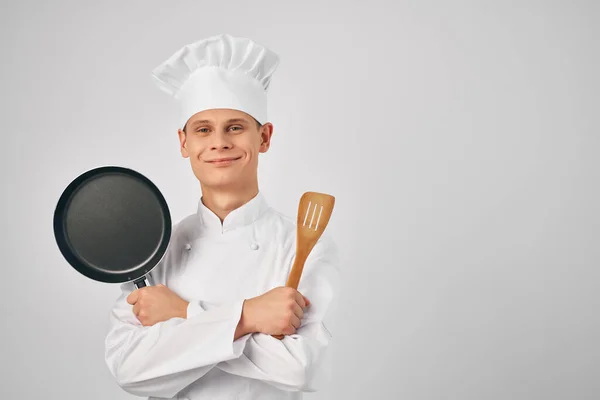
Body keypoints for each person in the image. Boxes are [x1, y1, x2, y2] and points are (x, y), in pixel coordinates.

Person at [103, 34, 341, 400]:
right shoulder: (153, 252)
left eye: (235, 127)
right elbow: (131, 369)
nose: (219, 143)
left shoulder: (305, 246)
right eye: (203, 130)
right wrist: (248, 317)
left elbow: (300, 368)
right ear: (184, 143)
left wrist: (181, 314)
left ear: (264, 137)